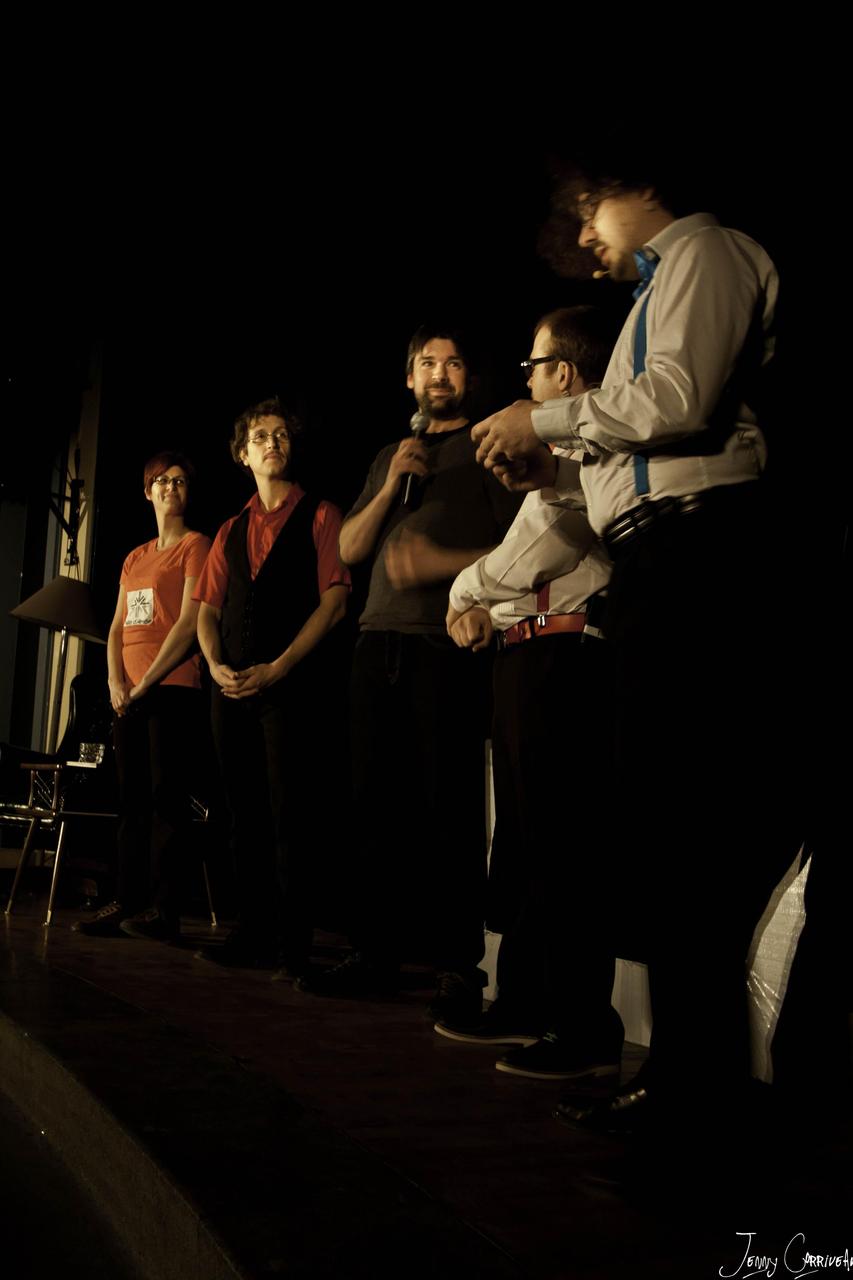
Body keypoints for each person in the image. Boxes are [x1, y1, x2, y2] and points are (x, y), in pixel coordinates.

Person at [472, 160, 799, 1143]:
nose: (584, 240)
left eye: (586, 212)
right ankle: (684, 1078)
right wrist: (553, 466)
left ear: (637, 183)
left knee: (685, 821)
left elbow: (678, 400)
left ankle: (695, 1088)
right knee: (662, 825)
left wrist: (543, 419)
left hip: (699, 548)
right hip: (659, 554)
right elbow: (635, 453)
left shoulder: (705, 251)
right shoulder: (655, 290)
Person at [298, 326, 520, 1025]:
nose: (440, 375)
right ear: (408, 379)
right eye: (427, 363)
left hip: (444, 645)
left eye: (453, 363)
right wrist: (394, 478)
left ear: (469, 378)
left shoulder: (488, 447)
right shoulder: (391, 456)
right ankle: (374, 952)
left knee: (447, 809)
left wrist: (440, 565)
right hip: (376, 642)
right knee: (373, 806)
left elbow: (520, 545)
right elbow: (349, 549)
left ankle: (457, 967)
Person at [438, 306, 624, 1082]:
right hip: (528, 654)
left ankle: (581, 1022)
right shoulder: (561, 464)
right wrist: (483, 609)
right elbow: (524, 566)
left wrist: (462, 590)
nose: (526, 381)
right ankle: (522, 1000)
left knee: (561, 843)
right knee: (521, 844)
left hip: (566, 659)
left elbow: (538, 547)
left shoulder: (590, 458)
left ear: (564, 375)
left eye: (534, 366)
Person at [193, 397, 350, 979]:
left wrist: (279, 667)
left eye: (281, 434)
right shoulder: (229, 529)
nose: (273, 443)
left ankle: (293, 945)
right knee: (243, 814)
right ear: (243, 454)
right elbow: (207, 610)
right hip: (231, 687)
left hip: (291, 687)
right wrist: (214, 664)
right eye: (260, 436)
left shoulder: (321, 514)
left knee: (292, 815)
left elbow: (335, 603)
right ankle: (251, 931)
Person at [73, 451, 210, 941]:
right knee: (129, 801)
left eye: (180, 480)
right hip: (128, 694)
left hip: (171, 688)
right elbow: (116, 627)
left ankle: (163, 910)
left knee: (165, 800)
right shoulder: (135, 556)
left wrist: (147, 680)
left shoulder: (196, 545)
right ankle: (126, 901)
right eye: (162, 481)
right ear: (148, 491)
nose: (171, 487)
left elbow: (190, 623)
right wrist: (115, 682)